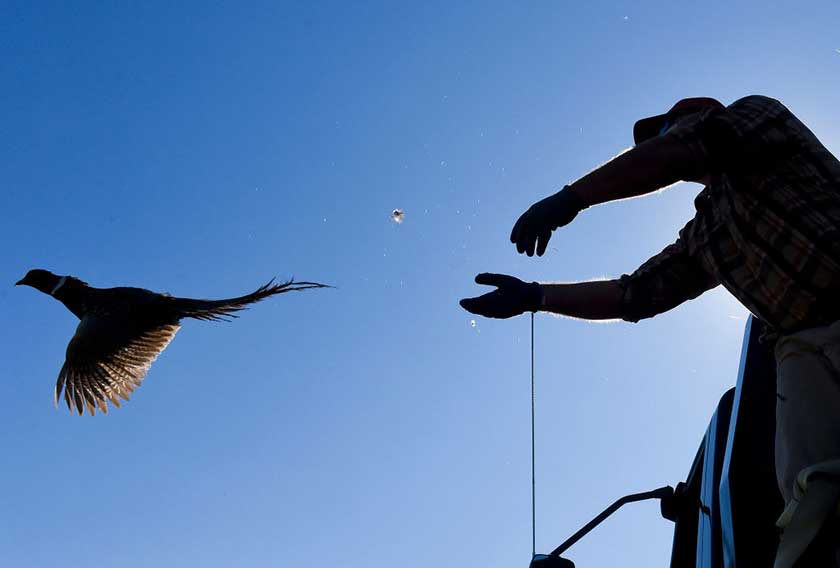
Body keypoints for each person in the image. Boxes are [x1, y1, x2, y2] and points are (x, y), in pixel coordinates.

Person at [460, 95, 840, 566]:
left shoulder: (756, 117)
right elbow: (636, 294)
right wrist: (537, 296)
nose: (663, 141)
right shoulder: (704, 233)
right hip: (799, 350)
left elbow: (686, 150)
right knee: (815, 502)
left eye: (666, 129)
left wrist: (572, 198)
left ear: (700, 111)